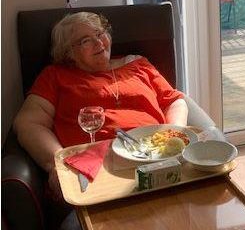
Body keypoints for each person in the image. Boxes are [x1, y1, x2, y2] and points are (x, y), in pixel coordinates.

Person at [13, 12, 188, 227]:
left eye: (100, 33)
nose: (99, 42)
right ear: (68, 53)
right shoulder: (55, 76)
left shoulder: (139, 65)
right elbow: (28, 123)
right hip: (97, 174)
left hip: (155, 161)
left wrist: (172, 136)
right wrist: (56, 163)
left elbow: (174, 101)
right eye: (86, 40)